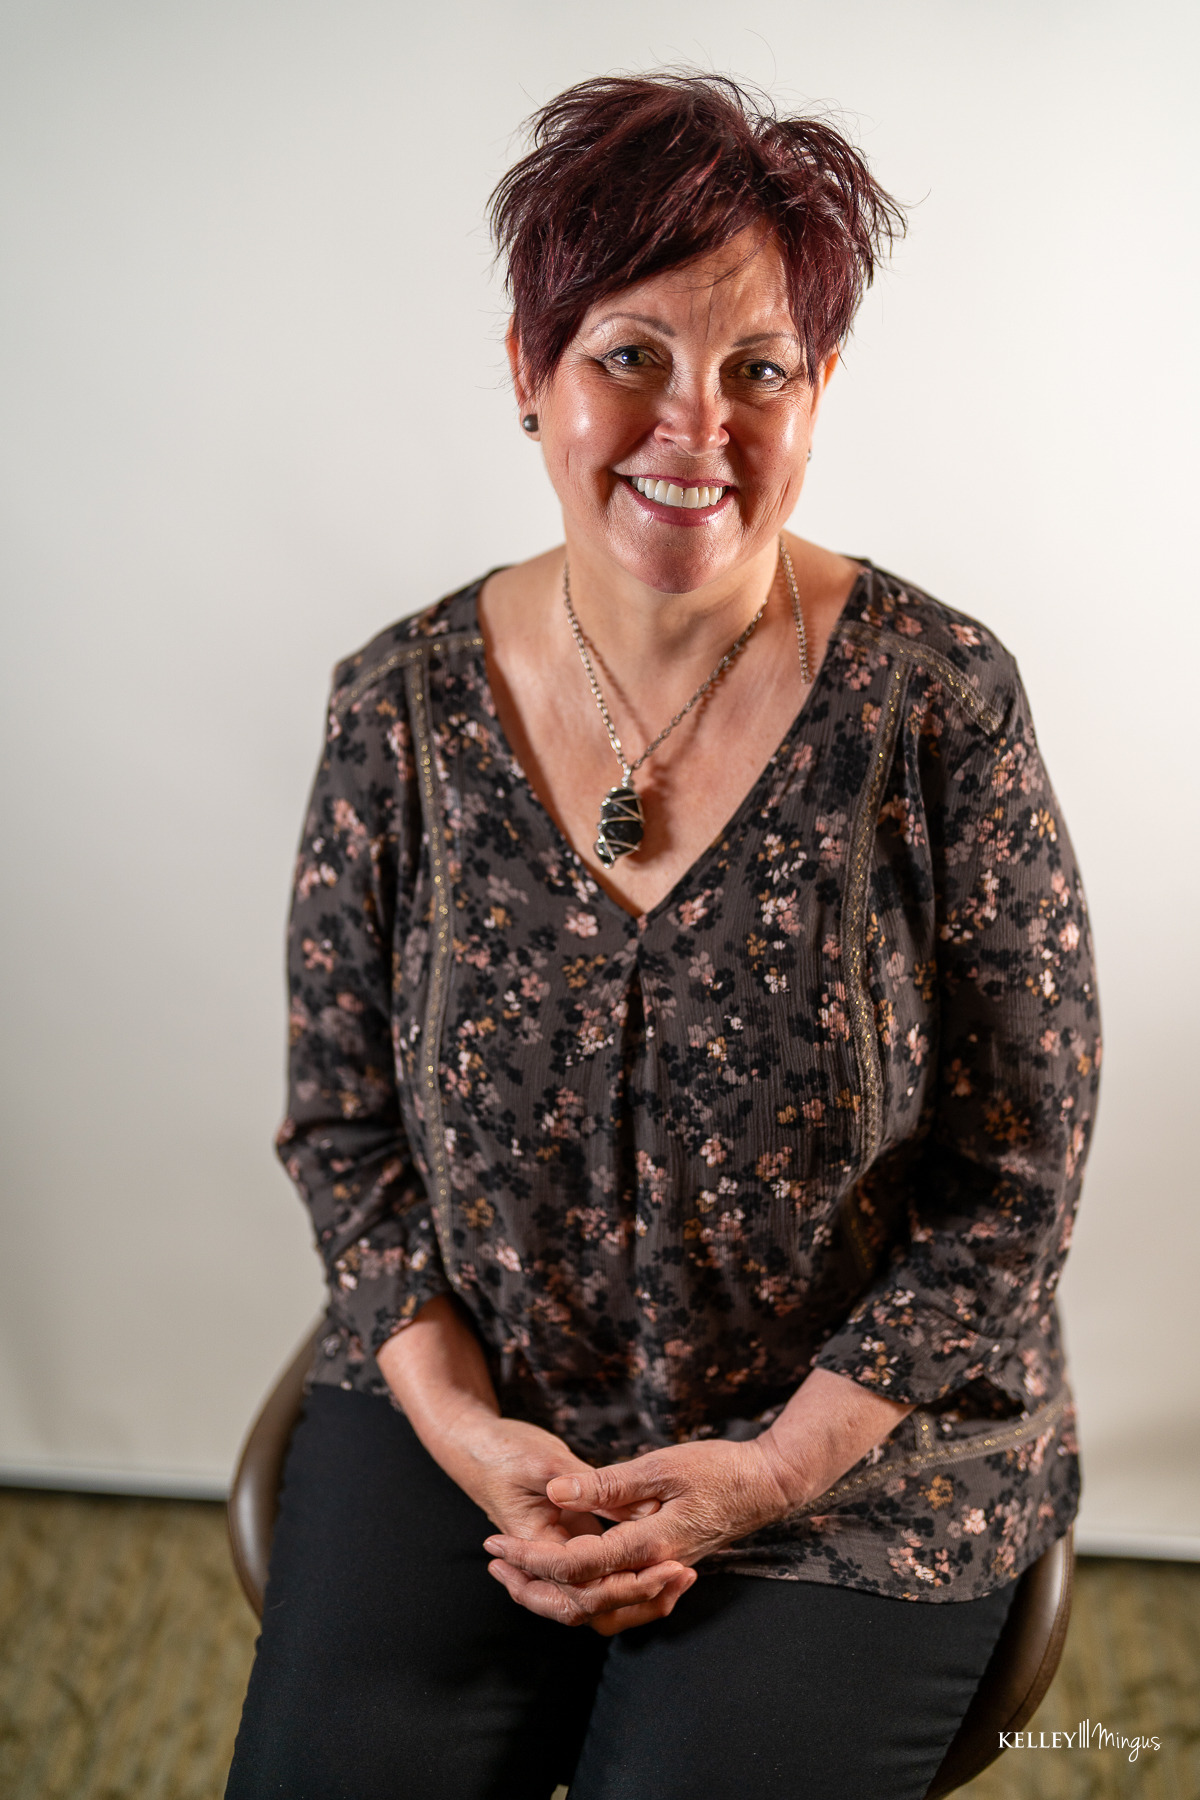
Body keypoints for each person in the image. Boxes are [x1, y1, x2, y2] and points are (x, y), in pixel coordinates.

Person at [226, 73, 1100, 1800]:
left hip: (854, 1449)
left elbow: (1018, 1176)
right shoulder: (395, 709)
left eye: (758, 367)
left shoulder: (941, 703)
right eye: (629, 352)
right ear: (528, 372)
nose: (695, 426)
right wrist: (473, 1437)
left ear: (819, 390)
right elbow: (345, 1131)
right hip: (478, 1413)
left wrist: (768, 1474)